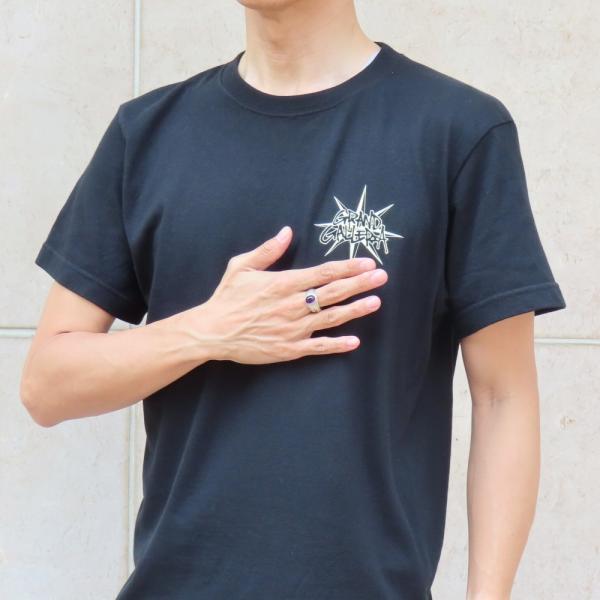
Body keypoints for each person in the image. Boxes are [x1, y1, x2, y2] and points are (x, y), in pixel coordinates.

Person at [21, 1, 567, 598]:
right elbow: (48, 385)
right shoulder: (146, 133)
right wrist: (209, 331)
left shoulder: (458, 131)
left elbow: (503, 395)